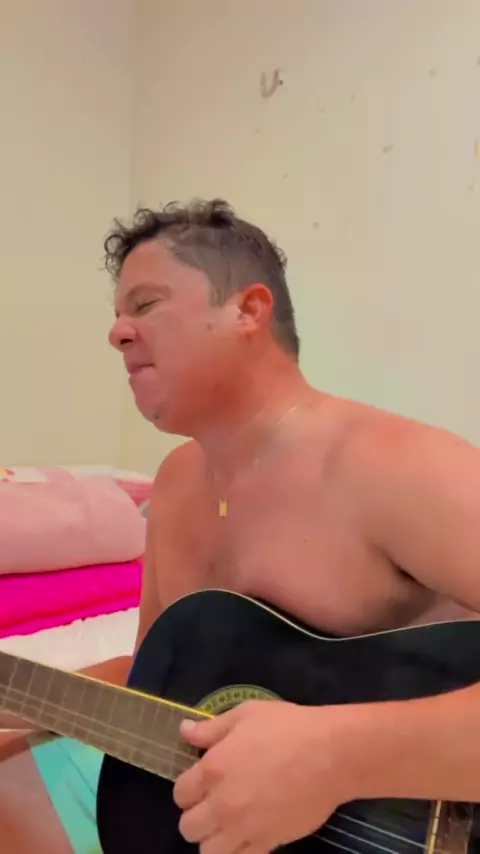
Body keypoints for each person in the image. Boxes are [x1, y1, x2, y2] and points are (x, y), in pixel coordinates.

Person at [4, 198, 480, 851]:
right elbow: (154, 673)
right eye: (117, 315)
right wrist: (22, 698)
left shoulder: (394, 465)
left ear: (248, 311)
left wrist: (339, 757)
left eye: (145, 305)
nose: (117, 334)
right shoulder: (175, 485)